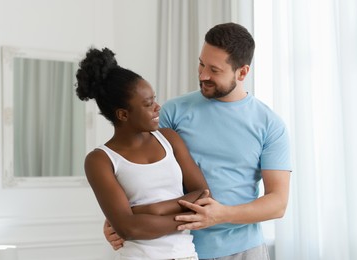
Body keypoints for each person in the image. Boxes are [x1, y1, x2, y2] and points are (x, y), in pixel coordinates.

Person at [104, 22, 292, 260]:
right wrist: (117, 217)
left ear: (242, 72)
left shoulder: (270, 125)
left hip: (244, 251)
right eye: (201, 63)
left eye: (214, 70)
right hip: (175, 248)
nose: (203, 75)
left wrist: (222, 214)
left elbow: (277, 203)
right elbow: (138, 169)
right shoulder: (172, 112)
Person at [76, 47, 210, 260]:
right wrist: (187, 214)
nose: (158, 107)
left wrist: (149, 211)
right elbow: (129, 229)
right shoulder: (100, 160)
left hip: (186, 256)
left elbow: (203, 193)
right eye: (148, 104)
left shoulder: (169, 138)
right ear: (123, 114)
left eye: (154, 99)